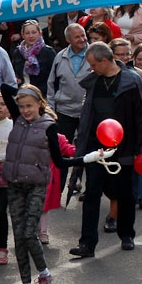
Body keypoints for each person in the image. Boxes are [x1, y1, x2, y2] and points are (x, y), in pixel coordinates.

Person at [0, 83, 111, 284]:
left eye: (29, 106)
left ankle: (44, 274)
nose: (25, 111)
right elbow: (4, 88)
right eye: (21, 106)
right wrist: (26, 90)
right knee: (20, 238)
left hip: (36, 186)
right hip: (14, 185)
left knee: (29, 233)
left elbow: (60, 162)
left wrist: (89, 158)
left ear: (40, 104)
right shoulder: (18, 118)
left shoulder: (49, 126)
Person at [69, 42, 142, 258]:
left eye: (93, 64)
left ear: (105, 60)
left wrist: (141, 148)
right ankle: (87, 244)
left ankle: (127, 234)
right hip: (95, 148)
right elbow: (86, 115)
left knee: (125, 193)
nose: (91, 68)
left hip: (124, 148)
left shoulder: (132, 80)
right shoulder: (93, 82)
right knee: (92, 193)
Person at [46, 23, 89, 191]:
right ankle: (58, 189)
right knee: (62, 152)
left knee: (84, 151)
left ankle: (77, 180)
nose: (82, 39)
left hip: (86, 113)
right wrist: (50, 109)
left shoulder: (94, 55)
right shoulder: (60, 57)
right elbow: (52, 85)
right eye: (77, 37)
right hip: (64, 112)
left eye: (83, 35)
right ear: (68, 39)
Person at [11, 20, 56, 97]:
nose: (31, 36)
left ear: (40, 34)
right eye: (27, 33)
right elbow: (14, 72)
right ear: (22, 35)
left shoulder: (48, 52)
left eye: (34, 32)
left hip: (42, 95)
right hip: (22, 94)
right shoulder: (17, 52)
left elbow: (54, 76)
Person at [0, 92, 12, 265]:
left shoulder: (13, 126)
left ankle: (1, 247)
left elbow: (12, 153)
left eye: (3, 104)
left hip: (5, 177)